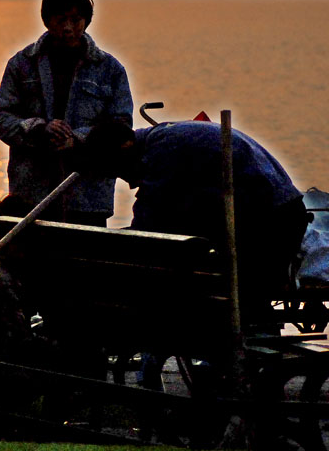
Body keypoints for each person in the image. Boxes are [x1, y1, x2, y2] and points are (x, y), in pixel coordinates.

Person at [82, 119, 310, 325]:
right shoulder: (164, 138)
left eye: (119, 171)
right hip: (276, 211)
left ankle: (242, 353)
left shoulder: (164, 149)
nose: (128, 182)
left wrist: (110, 248)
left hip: (273, 220)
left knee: (239, 296)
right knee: (238, 292)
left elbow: (150, 220)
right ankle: (240, 348)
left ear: (126, 148)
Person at [0, 0, 133, 227]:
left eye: (75, 20)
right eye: (60, 20)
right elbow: (2, 118)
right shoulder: (21, 64)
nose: (68, 28)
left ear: (86, 21)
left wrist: (77, 140)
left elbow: (121, 127)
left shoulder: (111, 70)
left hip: (88, 196)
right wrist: (38, 130)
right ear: (47, 21)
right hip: (32, 197)